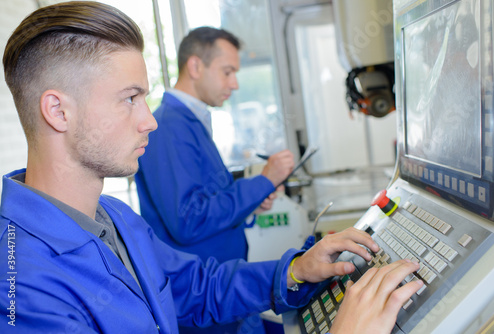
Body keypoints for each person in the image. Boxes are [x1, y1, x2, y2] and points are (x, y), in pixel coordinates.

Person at [0, 2, 422, 333]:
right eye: (129, 98)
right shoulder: (20, 286)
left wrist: (295, 269)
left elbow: (197, 287)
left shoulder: (116, 218)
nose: (148, 120)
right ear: (58, 111)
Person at [134, 27, 293, 265]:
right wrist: (264, 180)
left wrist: (251, 202)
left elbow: (207, 198)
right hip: (196, 287)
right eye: (227, 72)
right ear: (196, 67)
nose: (235, 83)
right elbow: (188, 220)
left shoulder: (192, 122)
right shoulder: (169, 127)